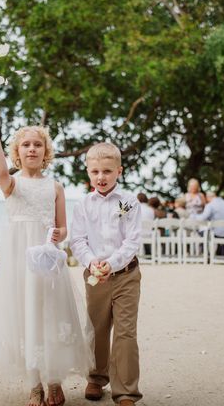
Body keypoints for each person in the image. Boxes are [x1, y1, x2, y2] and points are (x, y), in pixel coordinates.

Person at [0, 104, 92, 406]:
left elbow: (64, 227)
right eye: (26, 144)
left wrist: (59, 234)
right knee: (25, 312)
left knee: (51, 313)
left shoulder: (55, 186)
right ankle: (34, 384)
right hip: (20, 256)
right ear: (17, 151)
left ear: (46, 151)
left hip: (47, 258)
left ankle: (54, 380)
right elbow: (0, 169)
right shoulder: (12, 182)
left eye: (37, 144)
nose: (32, 149)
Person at [70, 142, 143, 406]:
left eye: (107, 171)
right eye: (95, 172)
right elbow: (77, 240)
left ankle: (125, 391)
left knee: (125, 333)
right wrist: (92, 263)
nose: (101, 177)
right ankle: (96, 377)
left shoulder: (129, 202)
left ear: (119, 171)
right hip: (95, 276)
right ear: (88, 172)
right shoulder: (82, 205)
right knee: (97, 328)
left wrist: (111, 263)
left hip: (126, 275)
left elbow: (132, 240)